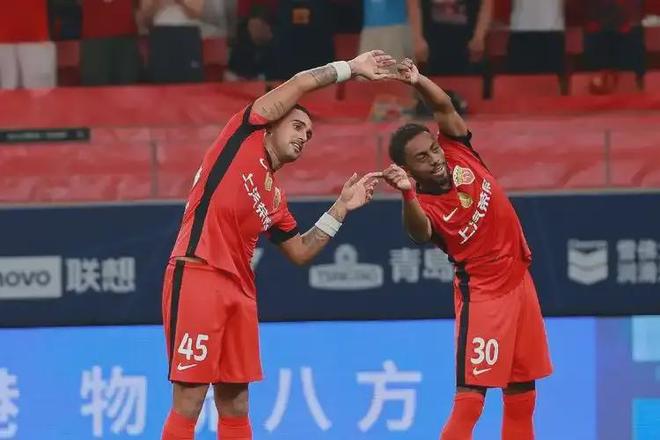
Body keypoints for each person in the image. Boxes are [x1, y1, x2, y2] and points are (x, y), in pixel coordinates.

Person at [161, 50, 394, 440]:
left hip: (240, 293)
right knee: (190, 397)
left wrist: (340, 208)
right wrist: (351, 69)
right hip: (199, 271)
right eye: (297, 126)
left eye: (309, 134)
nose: (303, 136)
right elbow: (301, 82)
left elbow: (300, 251)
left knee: (236, 403)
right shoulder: (243, 134)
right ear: (270, 125)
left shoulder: (275, 200)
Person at [381, 59, 552, 440]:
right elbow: (419, 233)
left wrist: (418, 80)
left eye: (432, 149)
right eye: (421, 158)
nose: (434, 159)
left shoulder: (458, 150)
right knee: (471, 402)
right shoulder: (424, 205)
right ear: (408, 170)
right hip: (485, 296)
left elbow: (443, 108)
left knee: (523, 396)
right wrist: (407, 194)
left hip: (520, 282)